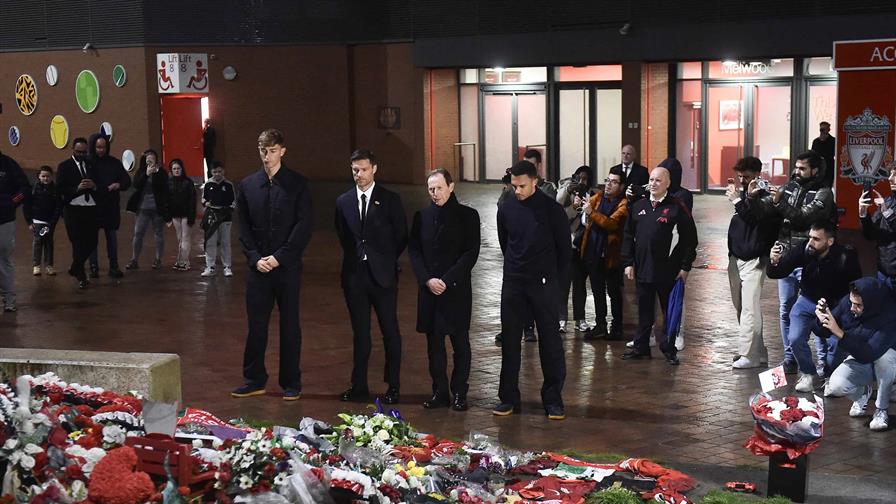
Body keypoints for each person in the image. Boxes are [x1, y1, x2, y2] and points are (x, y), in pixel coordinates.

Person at [231, 129, 312, 401]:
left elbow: (303, 227)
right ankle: (254, 380)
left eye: (273, 150)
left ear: (283, 151)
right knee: (256, 326)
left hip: (286, 268)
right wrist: (255, 258)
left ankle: (291, 382)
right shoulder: (248, 185)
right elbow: (243, 228)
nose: (268, 156)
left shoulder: (298, 184)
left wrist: (279, 257)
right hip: (258, 269)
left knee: (290, 325)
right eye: (263, 150)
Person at [493, 160, 570, 420]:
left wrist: (555, 283)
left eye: (522, 186)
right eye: (514, 186)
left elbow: (563, 250)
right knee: (511, 342)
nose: (517, 190)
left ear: (535, 181)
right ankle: (507, 398)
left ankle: (553, 399)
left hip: (544, 284)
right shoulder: (506, 206)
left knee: (550, 342)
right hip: (514, 282)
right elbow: (506, 242)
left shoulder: (552, 210)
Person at [752, 150, 836, 374]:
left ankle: (823, 361)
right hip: (786, 256)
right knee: (786, 308)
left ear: (815, 170)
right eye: (796, 167)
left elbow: (803, 217)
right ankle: (790, 358)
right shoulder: (790, 187)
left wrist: (779, 204)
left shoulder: (824, 193)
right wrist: (752, 197)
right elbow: (764, 211)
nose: (796, 172)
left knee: (816, 308)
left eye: (802, 168)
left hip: (810, 258)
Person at [335, 149, 407, 404]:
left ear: (374, 169)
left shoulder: (390, 200)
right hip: (355, 276)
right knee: (360, 333)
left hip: (383, 276)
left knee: (390, 330)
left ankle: (394, 386)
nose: (360, 174)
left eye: (364, 169)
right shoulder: (343, 201)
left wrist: (383, 259)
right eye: (355, 170)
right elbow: (343, 236)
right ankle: (359, 385)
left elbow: (400, 236)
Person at [409, 169, 480, 411]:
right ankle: (439, 391)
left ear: (451, 186)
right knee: (434, 345)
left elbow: (470, 253)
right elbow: (415, 251)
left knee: (460, 343)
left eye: (439, 188)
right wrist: (427, 279)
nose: (435, 193)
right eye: (431, 189)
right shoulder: (422, 216)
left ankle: (460, 391)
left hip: (455, 290)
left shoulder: (468, 216)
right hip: (430, 290)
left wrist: (447, 280)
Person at [767, 221, 862, 392]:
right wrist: (774, 261)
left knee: (836, 344)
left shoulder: (845, 257)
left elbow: (856, 285)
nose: (811, 242)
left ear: (830, 241)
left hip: (835, 305)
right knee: (795, 337)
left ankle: (830, 376)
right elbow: (778, 271)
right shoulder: (805, 249)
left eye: (817, 239)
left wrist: (845, 308)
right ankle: (808, 373)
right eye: (810, 237)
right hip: (807, 300)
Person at [620, 165, 698, 365]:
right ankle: (641, 347)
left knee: (669, 312)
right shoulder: (638, 205)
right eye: (651, 180)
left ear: (668, 184)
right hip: (643, 269)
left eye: (658, 181)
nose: (653, 184)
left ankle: (669, 348)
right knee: (644, 311)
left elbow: (690, 240)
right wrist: (629, 263)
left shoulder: (676, 207)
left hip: (668, 272)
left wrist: (685, 267)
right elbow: (628, 236)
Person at [816, 278, 896, 431]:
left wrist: (840, 333)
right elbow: (825, 329)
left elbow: (870, 352)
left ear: (871, 304)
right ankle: (862, 392)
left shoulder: (889, 315)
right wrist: (821, 320)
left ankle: (881, 409)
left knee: (885, 359)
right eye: (852, 303)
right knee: (835, 387)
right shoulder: (848, 303)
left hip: (885, 358)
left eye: (858, 305)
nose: (852, 308)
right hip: (861, 356)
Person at [725, 157, 781, 368]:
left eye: (746, 176)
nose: (742, 180)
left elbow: (753, 218)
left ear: (758, 174)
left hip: (755, 258)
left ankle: (748, 354)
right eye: (740, 176)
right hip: (736, 257)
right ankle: (759, 352)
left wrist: (738, 201)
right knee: (742, 307)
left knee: (750, 307)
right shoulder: (743, 194)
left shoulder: (766, 197)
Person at [581, 166, 629, 340]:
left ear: (622, 186)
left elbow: (611, 224)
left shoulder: (624, 204)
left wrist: (591, 213)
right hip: (594, 252)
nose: (609, 185)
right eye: (608, 180)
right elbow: (582, 205)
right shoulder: (599, 198)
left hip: (612, 256)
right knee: (597, 291)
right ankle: (600, 325)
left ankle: (617, 327)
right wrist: (578, 201)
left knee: (614, 293)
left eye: (614, 182)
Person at [56, 138, 98, 290]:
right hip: (73, 208)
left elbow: (99, 181)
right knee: (77, 242)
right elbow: (59, 188)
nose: (81, 154)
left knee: (92, 241)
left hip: (90, 207)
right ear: (72, 150)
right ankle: (81, 276)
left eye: (84, 152)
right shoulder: (64, 166)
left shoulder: (91, 164)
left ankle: (75, 267)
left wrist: (94, 186)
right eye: (78, 152)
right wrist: (76, 188)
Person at [556, 165, 594, 334]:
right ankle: (561, 319)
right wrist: (572, 204)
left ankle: (580, 319)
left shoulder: (592, 195)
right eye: (579, 178)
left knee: (579, 284)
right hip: (566, 244)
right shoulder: (565, 192)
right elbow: (561, 213)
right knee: (563, 284)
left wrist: (587, 208)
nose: (582, 182)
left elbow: (591, 219)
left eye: (585, 179)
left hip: (582, 245)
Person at [87, 133, 130, 279]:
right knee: (92, 239)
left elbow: (126, 180)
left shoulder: (114, 163)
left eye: (103, 147)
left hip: (110, 206)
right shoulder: (88, 162)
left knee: (111, 237)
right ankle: (93, 267)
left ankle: (114, 266)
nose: (101, 150)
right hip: (92, 206)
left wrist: (118, 184)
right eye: (98, 147)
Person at [125, 150, 170, 270]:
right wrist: (146, 174)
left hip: (157, 209)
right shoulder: (140, 171)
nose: (150, 161)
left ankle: (158, 259)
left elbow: (165, 186)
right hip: (142, 208)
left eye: (152, 159)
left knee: (158, 233)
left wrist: (156, 173)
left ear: (156, 160)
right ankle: (134, 259)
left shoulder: (161, 173)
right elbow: (136, 185)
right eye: (147, 159)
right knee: (138, 233)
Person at [0, 150, 30, 311]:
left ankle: (9, 300)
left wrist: (10, 204)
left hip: (4, 221)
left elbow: (25, 188)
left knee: (4, 261)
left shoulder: (8, 164)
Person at [859, 165, 896, 290]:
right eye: (890, 174)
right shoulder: (888, 201)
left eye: (895, 175)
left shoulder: (886, 205)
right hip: (883, 271)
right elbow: (870, 235)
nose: (890, 179)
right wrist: (863, 214)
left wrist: (887, 213)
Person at [23, 166, 62, 277]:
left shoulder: (55, 190)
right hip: (37, 221)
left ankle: (49, 265)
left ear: (52, 176)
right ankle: (37, 266)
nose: (45, 178)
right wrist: (29, 222)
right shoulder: (33, 189)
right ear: (39, 177)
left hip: (49, 222)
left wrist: (53, 222)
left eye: (48, 176)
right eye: (43, 176)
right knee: (38, 242)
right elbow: (27, 206)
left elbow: (58, 207)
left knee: (49, 243)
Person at [201, 161, 235, 277]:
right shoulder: (207, 184)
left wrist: (228, 209)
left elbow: (234, 201)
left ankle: (227, 267)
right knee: (210, 242)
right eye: (214, 172)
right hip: (212, 217)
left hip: (225, 217)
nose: (217, 174)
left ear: (223, 171)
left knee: (225, 242)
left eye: (219, 171)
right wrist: (206, 204)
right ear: (211, 172)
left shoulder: (229, 185)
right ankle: (210, 267)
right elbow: (203, 200)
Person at [167, 159, 197, 271]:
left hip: (186, 213)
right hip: (175, 214)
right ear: (171, 170)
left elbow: (193, 200)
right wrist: (167, 215)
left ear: (182, 169)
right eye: (174, 169)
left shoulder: (188, 182)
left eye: (178, 168)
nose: (176, 170)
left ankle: (185, 261)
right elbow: (167, 200)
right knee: (179, 238)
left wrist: (191, 216)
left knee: (185, 237)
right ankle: (181, 260)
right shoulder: (168, 183)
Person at [810, 121, 836, 188]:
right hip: (818, 169)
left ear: (828, 130)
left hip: (828, 168)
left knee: (827, 187)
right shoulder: (816, 141)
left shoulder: (833, 141)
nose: (822, 131)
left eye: (824, 129)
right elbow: (812, 154)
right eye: (821, 129)